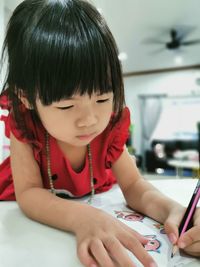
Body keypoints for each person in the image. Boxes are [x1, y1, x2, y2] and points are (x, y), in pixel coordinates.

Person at [0, 0, 199, 266]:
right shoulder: (25, 124)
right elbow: (29, 193)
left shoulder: (110, 125)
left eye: (103, 99)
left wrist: (173, 210)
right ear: (26, 98)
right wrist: (83, 217)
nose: (90, 120)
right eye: (66, 105)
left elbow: (134, 186)